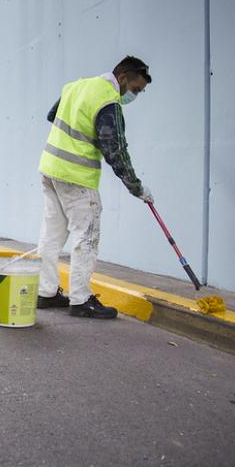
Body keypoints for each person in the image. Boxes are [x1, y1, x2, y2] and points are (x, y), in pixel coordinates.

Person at [36, 55, 153, 318]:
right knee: (86, 236)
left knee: (52, 234)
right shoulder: (108, 102)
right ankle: (80, 300)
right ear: (122, 78)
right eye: (135, 89)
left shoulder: (76, 86)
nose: (134, 95)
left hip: (49, 169)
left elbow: (52, 115)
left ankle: (45, 292)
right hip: (76, 177)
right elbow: (116, 151)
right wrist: (137, 187)